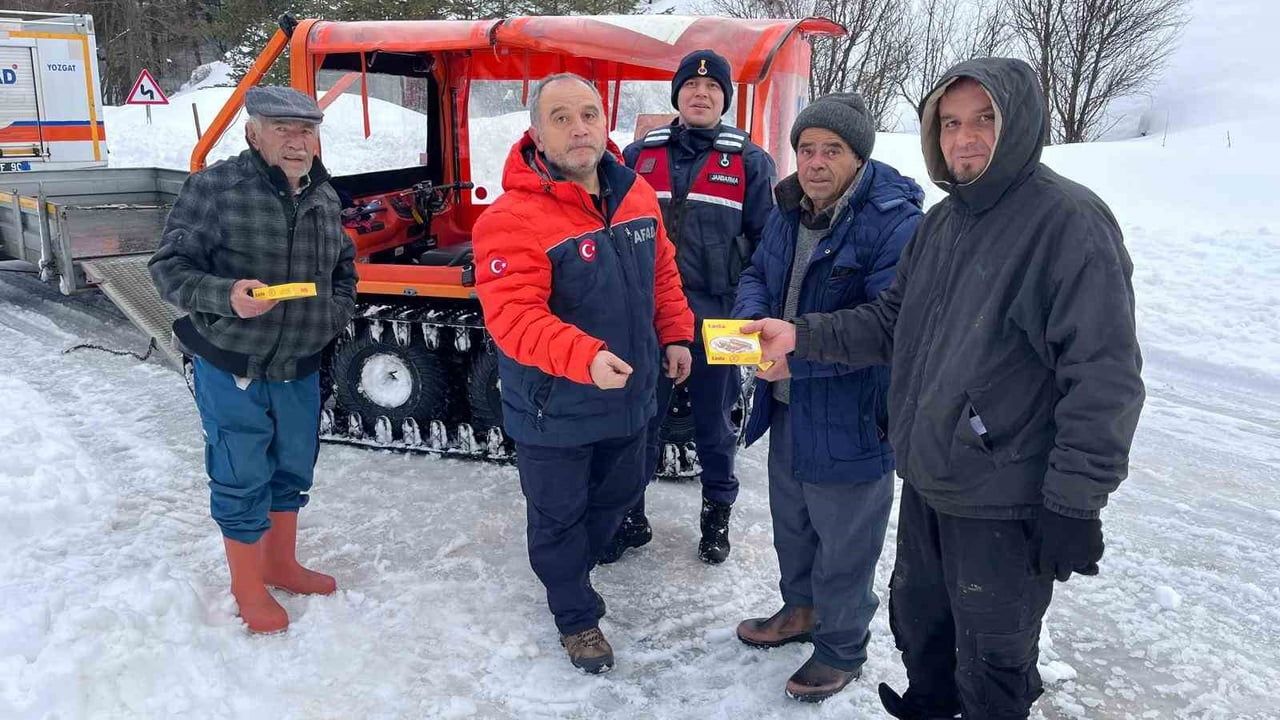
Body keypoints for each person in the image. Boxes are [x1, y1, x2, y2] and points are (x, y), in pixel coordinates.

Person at [744, 58, 1145, 719]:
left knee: (992, 658)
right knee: (921, 626)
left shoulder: (1067, 221)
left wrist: (1076, 500)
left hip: (1003, 494)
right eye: (951, 122)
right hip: (931, 476)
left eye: (985, 120)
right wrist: (800, 337)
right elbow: (890, 321)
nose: (965, 137)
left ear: (1020, 125)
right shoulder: (945, 221)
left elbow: (1104, 375)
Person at [470, 73, 694, 674]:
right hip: (555, 407)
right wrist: (583, 356)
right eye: (561, 117)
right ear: (537, 134)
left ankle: (572, 565)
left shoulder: (635, 194)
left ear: (605, 122)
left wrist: (675, 332)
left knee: (623, 490)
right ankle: (576, 616)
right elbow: (513, 317)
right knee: (558, 517)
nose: (578, 128)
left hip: (630, 395)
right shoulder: (511, 218)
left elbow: (662, 273)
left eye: (589, 114)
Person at [731, 92, 923, 702]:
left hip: (852, 414)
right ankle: (801, 611)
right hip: (787, 401)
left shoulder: (894, 223)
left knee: (845, 542)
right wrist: (753, 326)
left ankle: (841, 647)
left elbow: (888, 325)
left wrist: (796, 345)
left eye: (832, 150)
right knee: (793, 524)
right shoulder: (788, 209)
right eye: (806, 148)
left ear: (858, 156)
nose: (815, 162)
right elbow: (757, 275)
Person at [150, 85, 356, 634]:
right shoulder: (215, 189)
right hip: (232, 363)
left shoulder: (323, 194)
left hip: (300, 364)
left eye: (306, 130)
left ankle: (279, 564)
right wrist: (226, 296)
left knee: (293, 466)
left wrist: (333, 314)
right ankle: (247, 585)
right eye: (282, 129)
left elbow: (344, 266)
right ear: (252, 133)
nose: (297, 142)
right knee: (241, 471)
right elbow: (167, 269)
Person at [604, 49, 776, 565]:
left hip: (724, 319)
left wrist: (753, 313)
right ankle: (630, 518)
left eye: (713, 88)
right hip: (650, 317)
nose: (701, 94)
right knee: (639, 421)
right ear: (677, 94)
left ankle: (716, 520)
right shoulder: (638, 156)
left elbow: (766, 248)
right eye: (692, 86)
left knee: (717, 426)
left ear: (725, 99)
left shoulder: (750, 161)